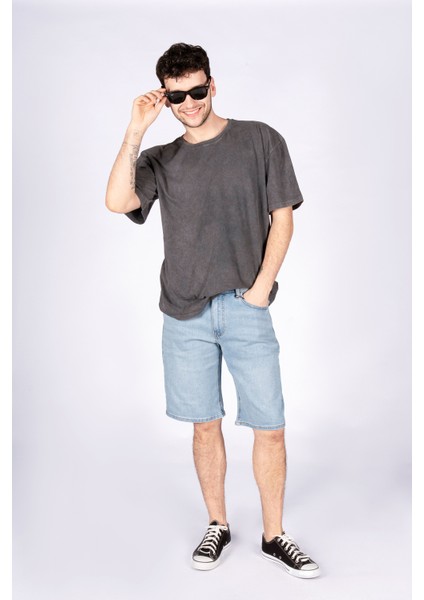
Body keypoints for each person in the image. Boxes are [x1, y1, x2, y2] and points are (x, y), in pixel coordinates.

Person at [105, 42, 320, 578]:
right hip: (184, 312)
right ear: (166, 99)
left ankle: (274, 535)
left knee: (270, 426)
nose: (190, 103)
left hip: (246, 304)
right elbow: (117, 202)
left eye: (197, 90)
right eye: (177, 96)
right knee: (205, 427)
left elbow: (283, 216)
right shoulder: (161, 159)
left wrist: (261, 289)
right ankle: (217, 524)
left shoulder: (260, 139)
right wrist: (135, 130)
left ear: (212, 85)